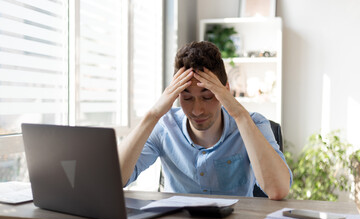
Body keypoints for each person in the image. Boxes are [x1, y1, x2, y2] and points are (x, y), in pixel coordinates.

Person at [119, 41, 292, 200]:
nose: (197, 110)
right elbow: (115, 179)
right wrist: (153, 115)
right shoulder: (165, 126)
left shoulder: (253, 123)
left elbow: (278, 190)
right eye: (187, 98)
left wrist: (239, 114)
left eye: (208, 97)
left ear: (225, 90)